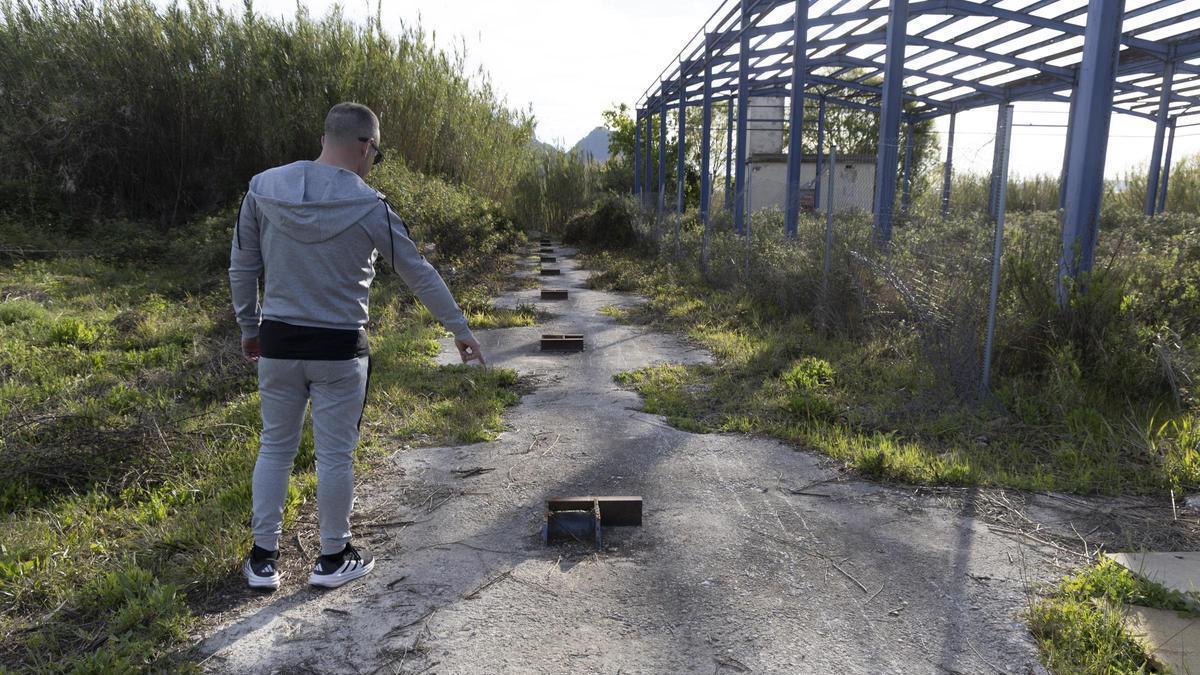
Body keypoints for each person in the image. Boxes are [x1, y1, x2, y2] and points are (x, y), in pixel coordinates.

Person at [229, 102, 485, 591]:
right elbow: (417, 271)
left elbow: (242, 267)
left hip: (278, 343)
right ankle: (332, 558)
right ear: (366, 145)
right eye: (377, 153)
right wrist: (459, 328)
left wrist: (249, 327)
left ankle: (263, 560)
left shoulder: (261, 189)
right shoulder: (369, 205)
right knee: (334, 456)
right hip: (340, 350)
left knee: (275, 448)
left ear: (325, 138)